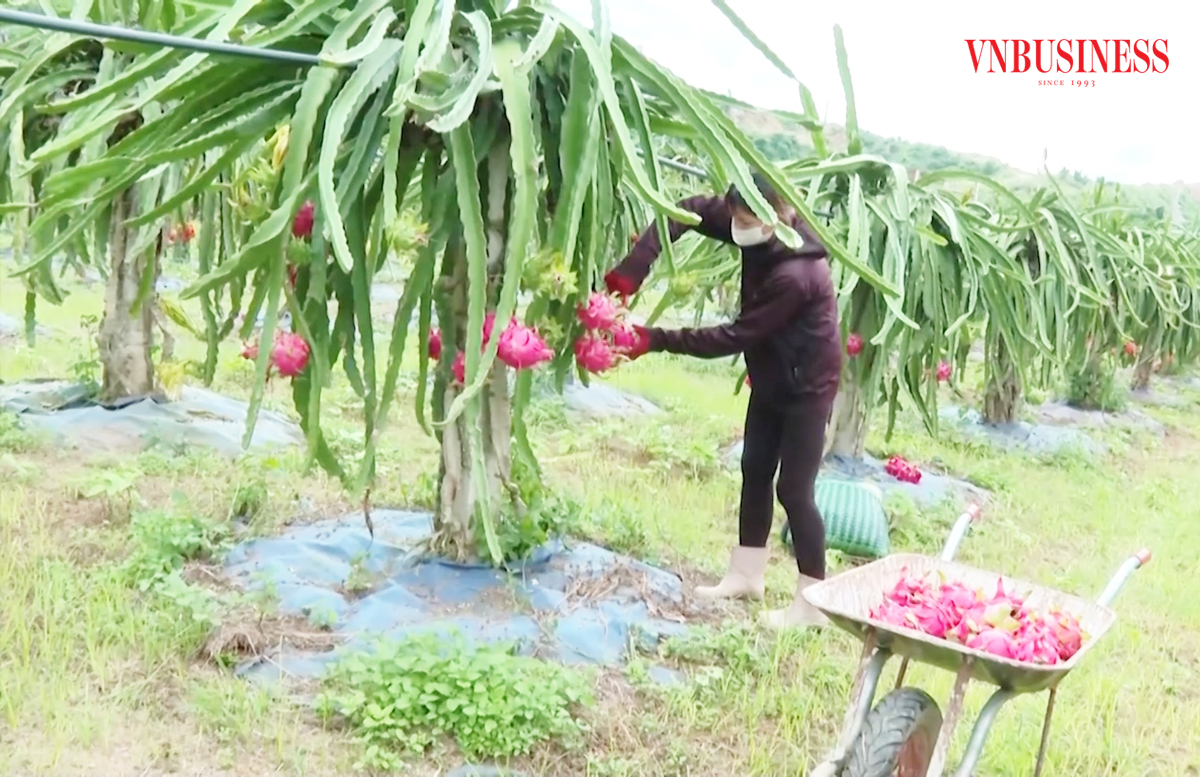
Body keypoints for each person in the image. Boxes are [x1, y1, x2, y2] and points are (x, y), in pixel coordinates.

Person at [610, 173, 842, 629]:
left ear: (781, 216)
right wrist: (636, 264)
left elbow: (736, 335)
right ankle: (746, 574)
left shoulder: (798, 273)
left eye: (747, 220)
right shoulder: (746, 219)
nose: (737, 229)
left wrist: (654, 339)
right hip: (773, 373)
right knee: (754, 469)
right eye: (734, 217)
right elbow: (690, 209)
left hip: (808, 386)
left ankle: (812, 602)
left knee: (794, 490)